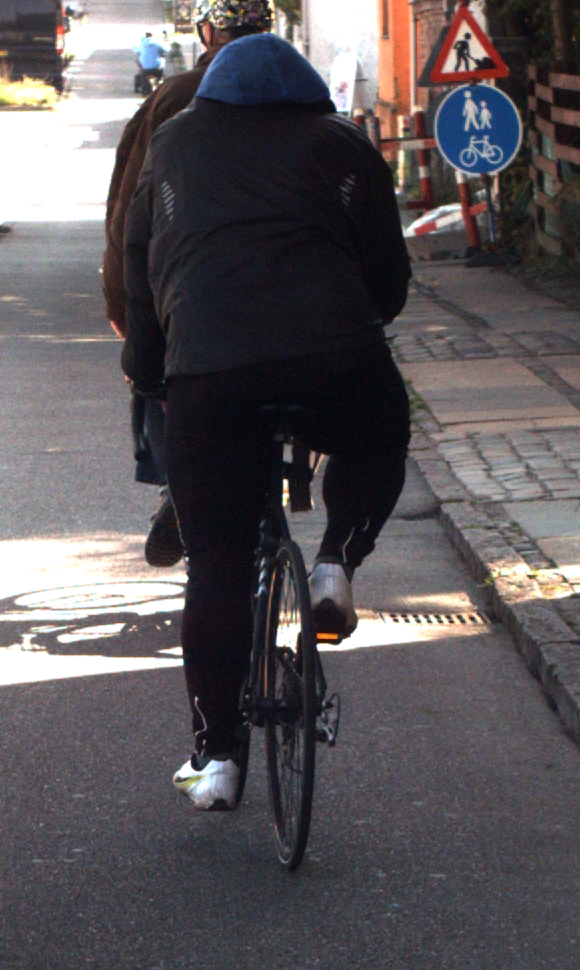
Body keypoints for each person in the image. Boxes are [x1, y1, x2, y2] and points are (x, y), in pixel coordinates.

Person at [122, 33, 412, 811]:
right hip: (332, 361)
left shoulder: (172, 144)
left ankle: (217, 758)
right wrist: (353, 316)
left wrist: (149, 373)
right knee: (380, 428)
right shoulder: (346, 145)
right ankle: (336, 564)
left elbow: (140, 261)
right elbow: (389, 281)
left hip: (210, 375)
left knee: (216, 564)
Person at [103, 0, 273, 570]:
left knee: (156, 363)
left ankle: (176, 482)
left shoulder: (176, 96)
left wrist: (123, 305)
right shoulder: (304, 91)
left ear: (206, 31)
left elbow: (131, 212)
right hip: (295, 291)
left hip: (191, 291)